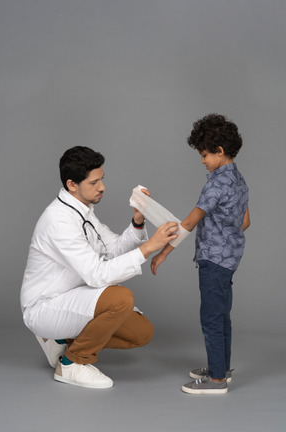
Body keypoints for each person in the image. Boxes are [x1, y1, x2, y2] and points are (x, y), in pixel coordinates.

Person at [20, 146, 178, 389]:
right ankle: (73, 363)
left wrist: (138, 220)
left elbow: (113, 248)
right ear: (72, 184)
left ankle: (60, 340)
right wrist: (148, 248)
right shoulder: (58, 220)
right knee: (120, 298)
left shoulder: (83, 211)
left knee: (141, 333)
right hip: (45, 304)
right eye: (94, 182)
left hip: (72, 296)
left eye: (102, 179)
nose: (102, 187)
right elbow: (97, 275)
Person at [151, 114, 250, 395]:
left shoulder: (216, 183)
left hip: (213, 260)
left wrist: (163, 253)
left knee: (210, 317)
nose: (202, 161)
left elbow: (189, 223)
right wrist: (226, 232)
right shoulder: (240, 181)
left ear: (219, 151)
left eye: (205, 154)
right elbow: (245, 222)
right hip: (231, 258)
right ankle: (223, 368)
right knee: (222, 316)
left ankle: (217, 380)